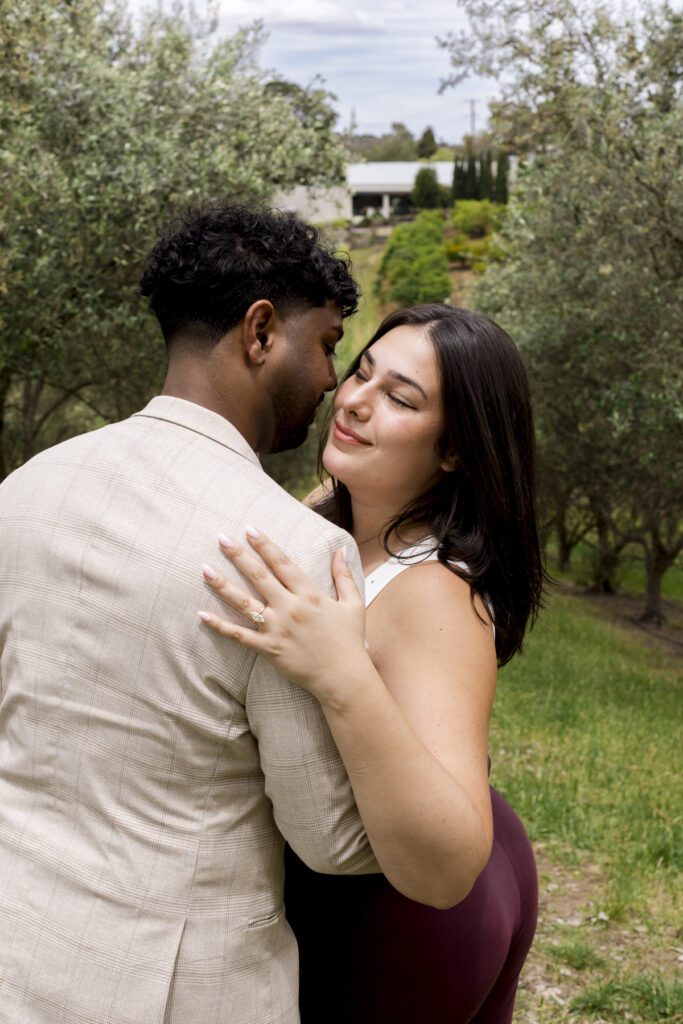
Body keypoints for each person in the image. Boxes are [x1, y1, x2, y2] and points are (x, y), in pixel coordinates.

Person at [0, 203, 379, 1024]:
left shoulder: (26, 490)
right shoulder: (289, 551)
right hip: (182, 991)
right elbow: (331, 840)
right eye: (326, 345)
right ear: (260, 331)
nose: (329, 380)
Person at [199, 303, 544, 1022]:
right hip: (440, 870)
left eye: (400, 398)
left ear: (453, 450)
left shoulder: (434, 592)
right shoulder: (341, 510)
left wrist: (340, 673)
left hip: (401, 917)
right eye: (361, 371)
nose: (354, 401)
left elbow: (447, 866)